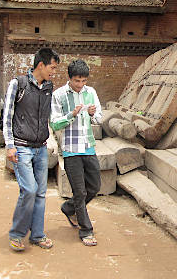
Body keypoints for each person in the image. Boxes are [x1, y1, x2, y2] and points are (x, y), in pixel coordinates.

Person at [3, 48, 60, 252]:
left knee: (41, 193)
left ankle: (37, 234)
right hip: (21, 147)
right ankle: (17, 234)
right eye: (52, 67)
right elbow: (7, 116)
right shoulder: (18, 84)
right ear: (41, 65)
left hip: (41, 148)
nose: (54, 72)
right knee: (29, 190)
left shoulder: (48, 87)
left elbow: (49, 117)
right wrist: (10, 145)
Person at [50, 59, 103, 246]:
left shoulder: (91, 93)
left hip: (88, 146)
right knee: (79, 191)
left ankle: (68, 207)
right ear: (70, 78)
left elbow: (99, 118)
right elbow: (54, 123)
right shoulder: (59, 95)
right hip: (71, 149)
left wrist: (92, 114)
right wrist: (71, 115)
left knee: (95, 186)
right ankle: (86, 231)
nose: (80, 85)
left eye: (83, 81)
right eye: (77, 81)